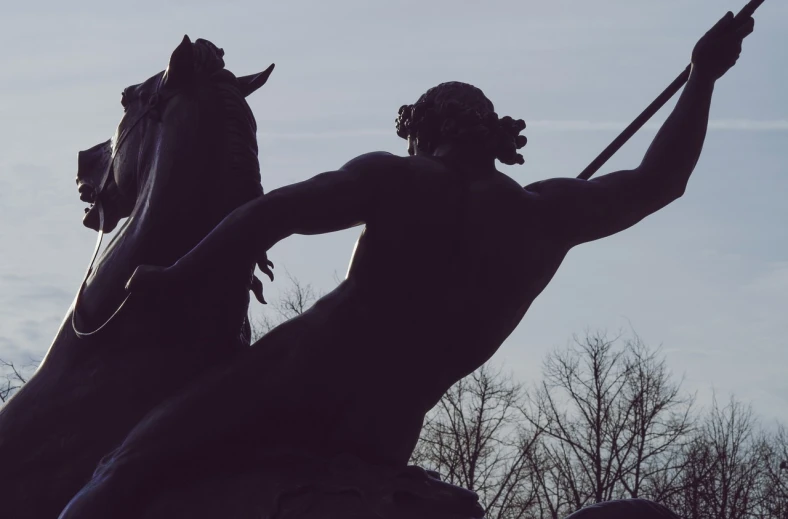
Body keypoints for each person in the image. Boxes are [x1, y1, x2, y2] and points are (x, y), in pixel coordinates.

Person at [60, 11, 754, 519]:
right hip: (383, 429)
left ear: (428, 129)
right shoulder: (546, 218)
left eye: (414, 134)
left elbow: (274, 216)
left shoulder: (403, 180)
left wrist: (179, 274)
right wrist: (702, 78)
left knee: (118, 471)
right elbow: (661, 180)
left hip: (288, 382)